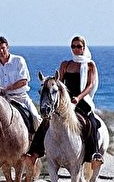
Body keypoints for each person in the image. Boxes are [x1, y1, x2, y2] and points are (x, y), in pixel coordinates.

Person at [24, 35, 104, 168]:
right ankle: (34, 153)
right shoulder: (65, 64)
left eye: (79, 46)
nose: (76, 49)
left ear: (84, 47)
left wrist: (78, 98)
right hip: (65, 100)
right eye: (73, 46)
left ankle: (94, 155)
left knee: (91, 122)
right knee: (47, 121)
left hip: (82, 99)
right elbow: (58, 83)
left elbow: (90, 85)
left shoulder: (89, 65)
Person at [0, 36, 42, 162]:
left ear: (8, 47)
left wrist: (7, 88)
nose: (1, 51)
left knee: (36, 118)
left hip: (20, 97)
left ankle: (36, 150)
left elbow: (24, 81)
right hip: (0, 101)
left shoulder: (19, 61)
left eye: (3, 48)